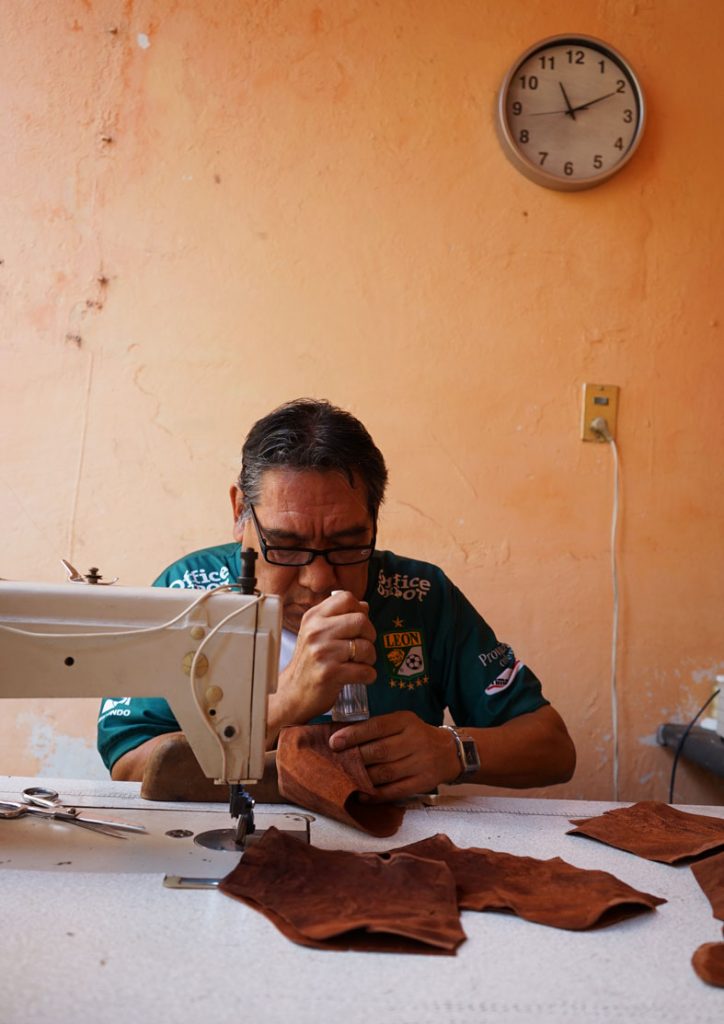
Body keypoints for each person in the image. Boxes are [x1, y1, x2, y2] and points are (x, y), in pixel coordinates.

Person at [98, 398, 575, 798]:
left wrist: (453, 751)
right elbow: (129, 763)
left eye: (349, 545)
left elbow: (552, 746)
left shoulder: (422, 596)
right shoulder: (186, 594)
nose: (319, 578)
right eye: (285, 546)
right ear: (241, 513)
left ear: (375, 520)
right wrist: (285, 703)